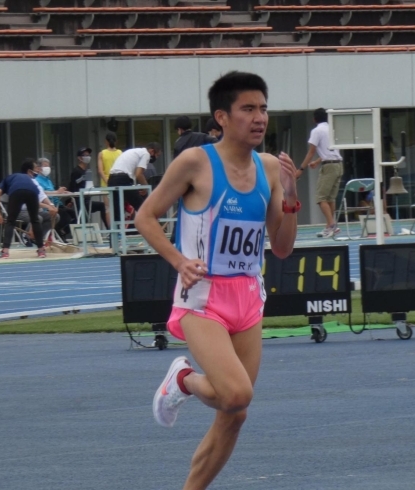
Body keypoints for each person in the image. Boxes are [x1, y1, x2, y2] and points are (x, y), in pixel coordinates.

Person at [135, 71, 298, 490]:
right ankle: (182, 380)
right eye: (248, 109)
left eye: (263, 108)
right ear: (222, 117)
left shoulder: (270, 169)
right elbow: (145, 216)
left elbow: (281, 248)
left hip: (248, 297)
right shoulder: (195, 162)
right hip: (202, 298)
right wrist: (178, 260)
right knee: (236, 394)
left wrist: (293, 197)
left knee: (235, 413)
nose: (259, 117)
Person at [296, 108, 343, 238]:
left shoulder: (317, 131)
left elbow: (311, 151)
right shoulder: (332, 129)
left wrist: (300, 169)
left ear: (314, 119)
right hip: (338, 165)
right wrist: (317, 161)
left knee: (321, 198)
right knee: (330, 198)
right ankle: (329, 226)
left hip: (329, 167)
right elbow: (331, 151)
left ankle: (332, 225)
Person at [0, 159, 52, 259]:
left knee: (10, 221)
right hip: (33, 192)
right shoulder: (30, 179)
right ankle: (41, 250)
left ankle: (5, 251)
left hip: (17, 191)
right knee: (35, 220)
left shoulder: (8, 179)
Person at [107, 142, 162, 226]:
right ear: (152, 151)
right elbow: (139, 174)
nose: (156, 158)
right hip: (123, 179)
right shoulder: (145, 154)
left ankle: (116, 235)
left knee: (116, 209)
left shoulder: (135, 151)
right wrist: (146, 187)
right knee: (142, 207)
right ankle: (152, 229)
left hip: (112, 179)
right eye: (157, 155)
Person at [69, 147, 109, 229]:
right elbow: (72, 186)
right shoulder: (76, 171)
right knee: (82, 217)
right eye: (85, 155)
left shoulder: (87, 171)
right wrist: (70, 200)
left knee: (102, 206)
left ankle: (109, 229)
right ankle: (66, 229)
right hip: (80, 201)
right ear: (79, 158)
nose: (87, 157)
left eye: (88, 155)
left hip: (87, 200)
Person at [35, 158, 74, 239]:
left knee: (74, 215)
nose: (47, 168)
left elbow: (53, 192)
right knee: (65, 217)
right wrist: (56, 192)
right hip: (47, 207)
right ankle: (58, 233)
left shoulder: (48, 180)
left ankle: (62, 233)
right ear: (38, 168)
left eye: (48, 166)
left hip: (57, 204)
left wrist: (62, 192)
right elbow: (41, 193)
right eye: (45, 166)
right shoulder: (36, 180)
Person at [97, 131, 122, 226]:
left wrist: (107, 181)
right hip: (118, 183)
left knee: (108, 208)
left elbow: (100, 170)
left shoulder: (102, 154)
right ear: (116, 141)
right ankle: (119, 229)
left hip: (106, 184)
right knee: (118, 207)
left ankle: (111, 230)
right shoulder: (120, 153)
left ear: (106, 142)